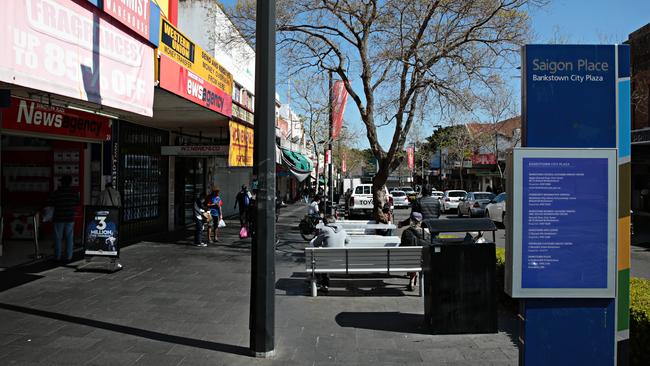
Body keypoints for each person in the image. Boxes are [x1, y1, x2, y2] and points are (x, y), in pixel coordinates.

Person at [311, 215, 349, 292]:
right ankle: (322, 282)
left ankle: (324, 284)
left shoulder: (325, 230)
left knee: (318, 259)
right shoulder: (342, 230)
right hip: (342, 262)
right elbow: (348, 241)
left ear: (326, 222)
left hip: (328, 262)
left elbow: (315, 244)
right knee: (325, 258)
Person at [47, 175, 80, 262]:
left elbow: (50, 203)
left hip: (58, 218)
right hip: (70, 218)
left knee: (58, 238)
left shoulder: (56, 192)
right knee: (69, 237)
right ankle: (69, 256)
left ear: (62, 182)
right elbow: (77, 203)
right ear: (70, 183)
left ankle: (57, 256)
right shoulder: (74, 193)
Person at [400, 212, 430, 291]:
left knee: (411, 258)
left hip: (408, 261)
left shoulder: (406, 232)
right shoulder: (427, 233)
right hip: (424, 261)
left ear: (411, 221)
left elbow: (402, 247)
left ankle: (412, 279)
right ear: (421, 221)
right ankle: (414, 278)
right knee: (418, 259)